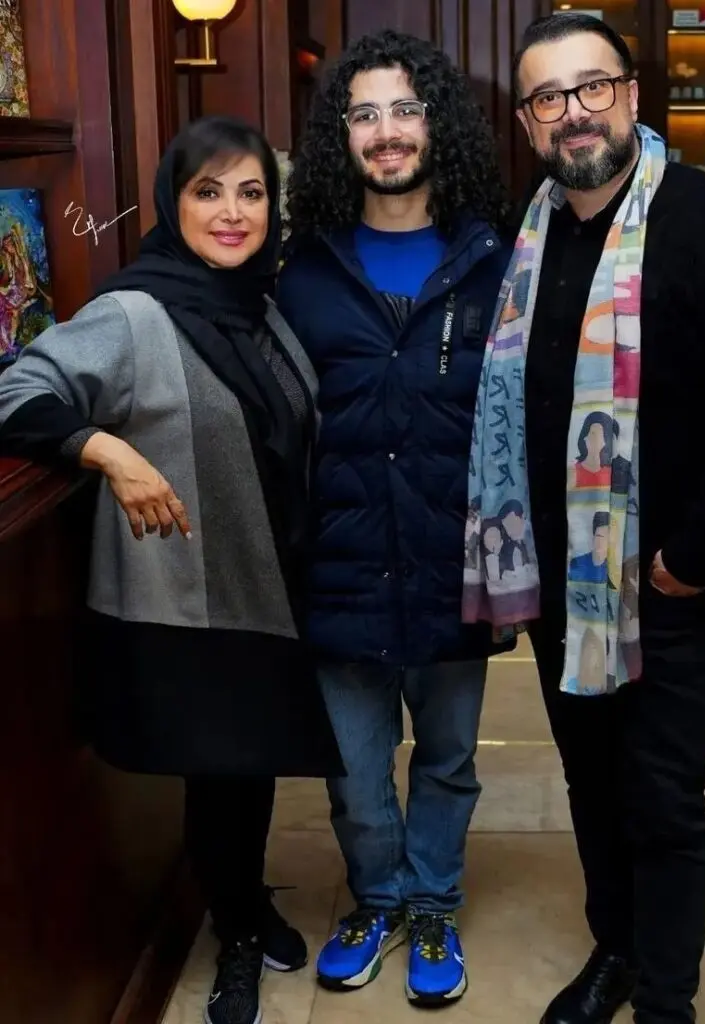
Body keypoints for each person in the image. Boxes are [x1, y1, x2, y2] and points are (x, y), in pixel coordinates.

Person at [463, 13, 705, 1024]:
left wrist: (692, 554)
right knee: (591, 780)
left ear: (631, 94)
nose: (574, 112)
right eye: (548, 96)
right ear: (528, 121)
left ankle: (665, 999)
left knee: (660, 793)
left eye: (592, 86)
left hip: (665, 581)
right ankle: (614, 947)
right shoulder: (524, 237)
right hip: (559, 577)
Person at [0, 115, 343, 1024]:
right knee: (219, 772)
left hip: (265, 584)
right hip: (195, 599)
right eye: (207, 191)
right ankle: (234, 935)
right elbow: (15, 390)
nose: (232, 212)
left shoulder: (260, 306)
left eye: (252, 193)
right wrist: (107, 450)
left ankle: (248, 903)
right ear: (172, 203)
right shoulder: (135, 314)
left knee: (250, 768)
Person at [277, 28, 513, 1009]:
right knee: (354, 769)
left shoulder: (494, 258)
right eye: (363, 112)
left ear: (436, 123)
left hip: (456, 563)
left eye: (404, 109)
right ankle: (376, 900)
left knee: (447, 761)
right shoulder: (302, 268)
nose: (385, 131)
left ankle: (432, 905)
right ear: (340, 135)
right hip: (338, 563)